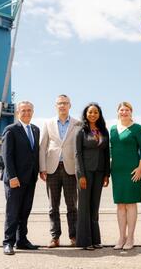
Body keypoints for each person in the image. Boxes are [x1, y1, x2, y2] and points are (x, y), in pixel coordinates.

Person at [39, 94, 80, 248]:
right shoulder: (48, 123)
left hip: (71, 169)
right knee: (53, 206)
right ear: (55, 106)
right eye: (59, 103)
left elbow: (79, 148)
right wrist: (42, 168)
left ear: (70, 105)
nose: (62, 106)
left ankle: (74, 236)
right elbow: (42, 146)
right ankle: (55, 237)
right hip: (52, 169)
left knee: (72, 206)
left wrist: (79, 169)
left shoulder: (77, 123)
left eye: (65, 103)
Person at [1, 101, 40, 255]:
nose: (26, 113)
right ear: (18, 113)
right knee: (13, 212)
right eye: (23, 110)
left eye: (29, 110)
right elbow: (7, 155)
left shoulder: (36, 130)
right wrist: (12, 176)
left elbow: (34, 154)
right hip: (15, 179)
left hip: (30, 178)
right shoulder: (10, 130)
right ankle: (8, 242)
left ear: (33, 112)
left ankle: (21, 240)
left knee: (25, 211)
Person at [110, 102, 141, 250]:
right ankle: (121, 237)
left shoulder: (137, 128)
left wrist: (140, 168)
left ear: (131, 112)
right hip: (117, 172)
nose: (124, 112)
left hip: (133, 171)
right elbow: (111, 150)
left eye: (127, 110)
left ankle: (131, 237)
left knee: (131, 204)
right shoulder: (112, 129)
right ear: (118, 112)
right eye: (121, 110)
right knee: (120, 204)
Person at [74, 103, 111, 250]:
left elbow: (106, 153)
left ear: (99, 114)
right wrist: (81, 175)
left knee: (94, 206)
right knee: (84, 206)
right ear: (86, 114)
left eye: (96, 112)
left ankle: (95, 239)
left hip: (100, 172)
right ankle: (85, 241)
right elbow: (77, 154)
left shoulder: (103, 131)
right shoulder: (81, 131)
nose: (93, 114)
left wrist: (107, 174)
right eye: (90, 112)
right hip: (86, 173)